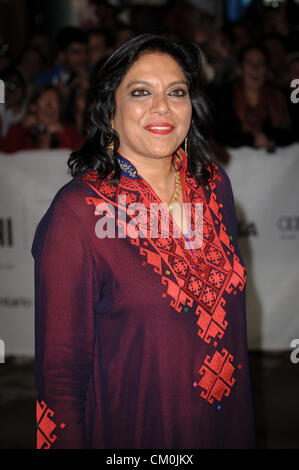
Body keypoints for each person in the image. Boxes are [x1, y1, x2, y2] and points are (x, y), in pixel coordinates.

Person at [32, 34, 255, 449]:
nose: (162, 107)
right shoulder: (78, 214)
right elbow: (60, 379)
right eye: (140, 92)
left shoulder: (213, 188)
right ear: (110, 112)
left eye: (177, 92)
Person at [213, 44, 292, 150]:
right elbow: (218, 134)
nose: (255, 68)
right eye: (249, 63)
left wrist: (272, 139)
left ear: (267, 68)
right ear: (239, 68)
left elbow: (292, 132)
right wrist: (250, 140)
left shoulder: (282, 96)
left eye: (261, 63)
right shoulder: (222, 96)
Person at [0, 85, 84, 153]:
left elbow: (79, 159)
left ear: (60, 108)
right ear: (34, 107)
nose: (49, 108)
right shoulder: (20, 130)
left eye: (54, 103)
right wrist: (22, 129)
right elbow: (5, 157)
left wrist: (62, 134)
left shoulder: (71, 132)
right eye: (44, 103)